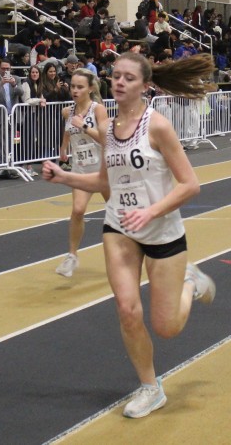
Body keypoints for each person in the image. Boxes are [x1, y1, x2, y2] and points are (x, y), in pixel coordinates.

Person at [41, 52, 216, 419]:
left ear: (145, 85)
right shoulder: (107, 129)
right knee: (127, 309)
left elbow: (190, 184)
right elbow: (105, 182)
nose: (119, 82)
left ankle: (190, 282)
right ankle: (150, 387)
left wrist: (151, 211)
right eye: (116, 76)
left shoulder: (158, 126)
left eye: (129, 78)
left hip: (162, 230)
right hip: (119, 227)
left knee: (166, 327)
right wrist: (64, 176)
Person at [54, 68, 109, 278]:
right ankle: (72, 256)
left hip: (103, 170)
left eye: (80, 87)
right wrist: (63, 148)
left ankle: (138, 246)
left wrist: (85, 126)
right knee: (77, 210)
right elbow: (69, 131)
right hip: (81, 169)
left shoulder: (98, 110)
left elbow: (106, 139)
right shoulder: (67, 111)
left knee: (118, 212)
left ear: (90, 89)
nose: (75, 91)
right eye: (73, 87)